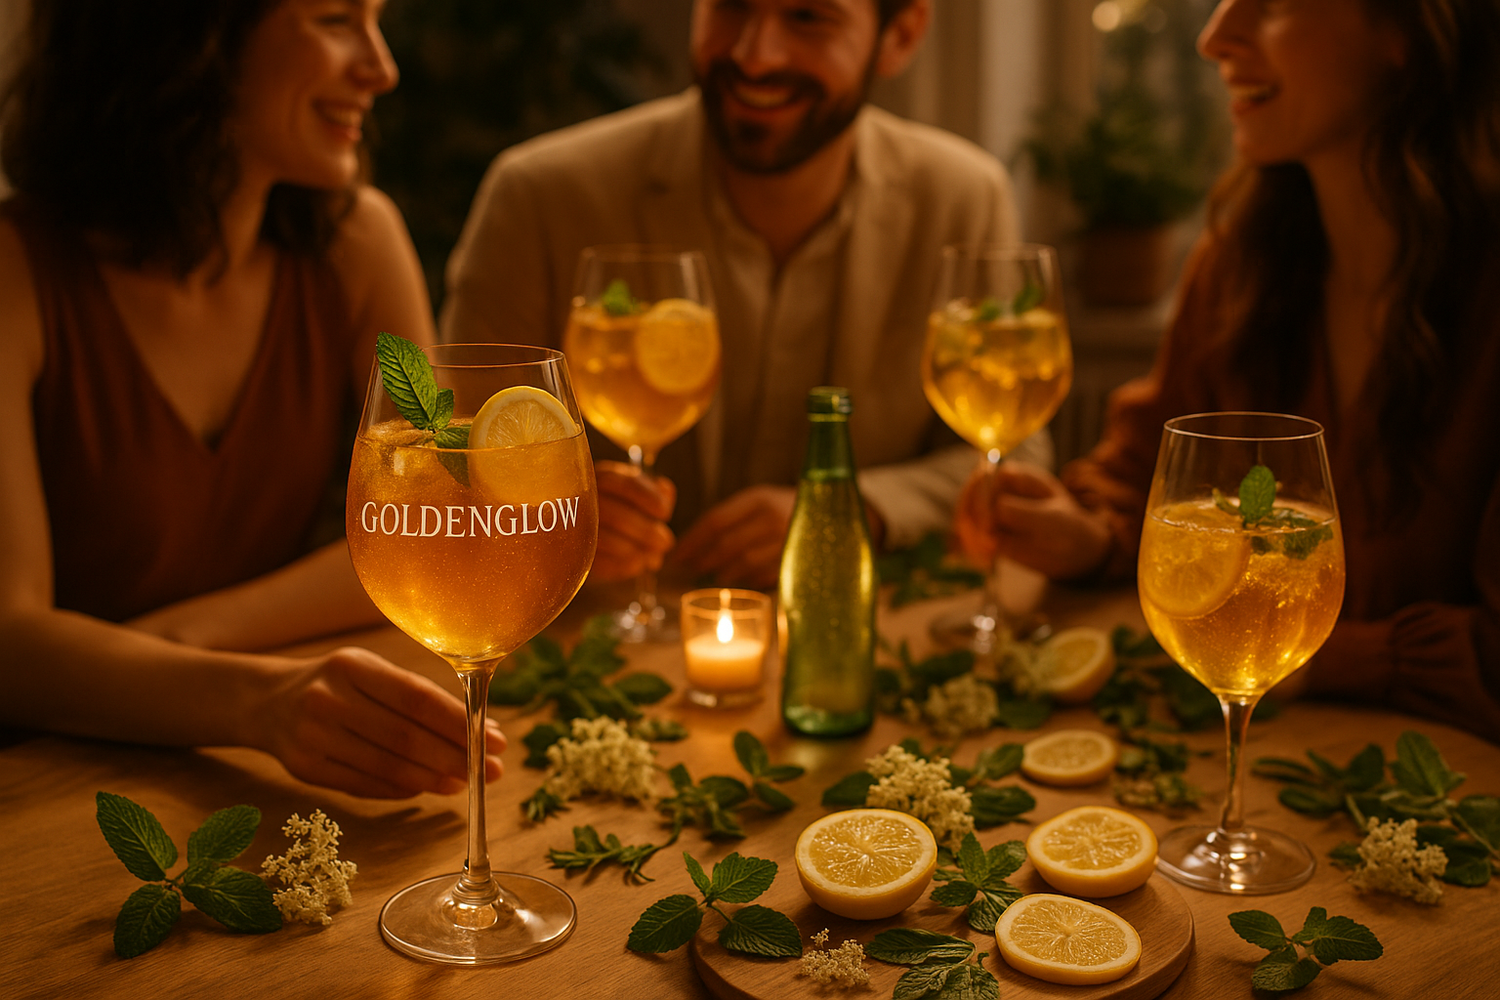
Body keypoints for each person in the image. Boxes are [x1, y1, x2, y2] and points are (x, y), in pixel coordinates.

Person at [0, 0, 507, 796]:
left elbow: (435, 523)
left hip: (235, 776)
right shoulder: (17, 272)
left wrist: (189, 635)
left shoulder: (359, 242)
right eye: (336, 19)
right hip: (44, 782)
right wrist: (259, 700)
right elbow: (9, 642)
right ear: (193, 39)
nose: (381, 69)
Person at [957, 0, 1500, 742]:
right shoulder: (1237, 264)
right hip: (1255, 748)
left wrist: (1323, 661)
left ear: (1408, 30)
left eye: (1270, 4)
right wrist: (1090, 535)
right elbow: (1145, 478)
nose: (1215, 38)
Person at [441, 0, 1050, 590]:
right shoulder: (540, 196)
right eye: (730, 6)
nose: (755, 56)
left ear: (901, 35)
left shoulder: (963, 199)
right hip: (589, 631)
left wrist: (846, 508)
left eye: (808, 17)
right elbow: (443, 457)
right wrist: (544, 522)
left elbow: (1015, 452)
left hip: (871, 628)